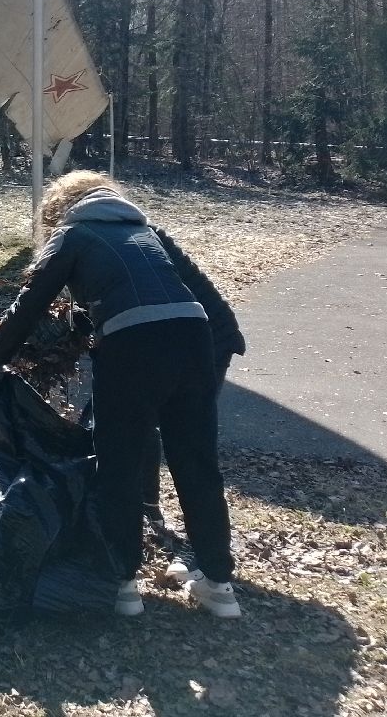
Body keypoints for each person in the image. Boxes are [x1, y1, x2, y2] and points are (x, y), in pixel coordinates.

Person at [0, 170, 240, 618]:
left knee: (118, 462)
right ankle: (219, 586)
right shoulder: (148, 232)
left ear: (60, 209)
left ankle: (124, 586)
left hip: (133, 346)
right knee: (197, 461)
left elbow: (33, 299)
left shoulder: (74, 233)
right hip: (195, 339)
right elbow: (189, 293)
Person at [140, 228, 245, 583]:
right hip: (195, 336)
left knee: (188, 449)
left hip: (202, 341)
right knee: (146, 426)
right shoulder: (135, 230)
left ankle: (207, 559)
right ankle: (150, 511)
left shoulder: (100, 238)